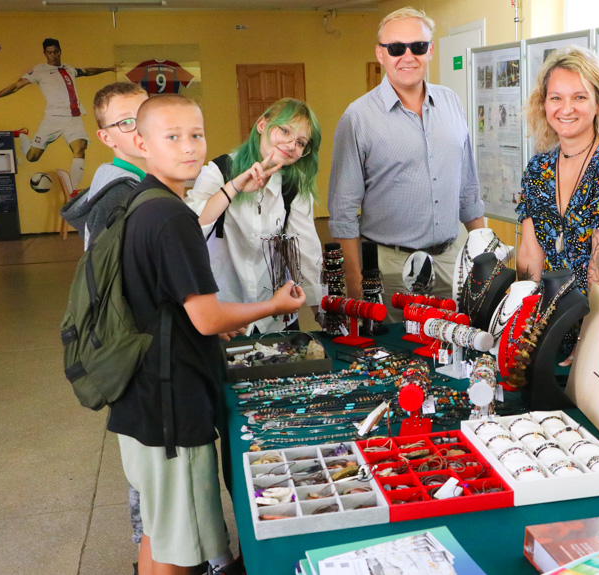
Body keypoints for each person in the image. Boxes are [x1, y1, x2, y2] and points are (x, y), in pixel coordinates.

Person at [110, 93, 304, 575]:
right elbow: (207, 318)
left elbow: (167, 303)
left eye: (196, 135)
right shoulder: (172, 218)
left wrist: (236, 183)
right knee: (184, 551)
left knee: (158, 531)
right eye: (172, 136)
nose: (189, 148)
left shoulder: (145, 202)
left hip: (140, 402)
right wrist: (275, 305)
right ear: (140, 143)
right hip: (172, 408)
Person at [328, 7, 484, 318]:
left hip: (453, 259)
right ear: (381, 54)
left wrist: (483, 257)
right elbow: (343, 210)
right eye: (396, 48)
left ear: (431, 51)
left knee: (456, 348)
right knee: (396, 352)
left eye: (418, 46)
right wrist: (354, 280)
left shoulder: (452, 102)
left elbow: (468, 189)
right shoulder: (357, 118)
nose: (408, 56)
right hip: (391, 268)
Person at [517, 46, 599, 335]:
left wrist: (588, 335)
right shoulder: (538, 168)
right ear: (543, 103)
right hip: (552, 316)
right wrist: (522, 319)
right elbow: (529, 252)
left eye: (579, 97)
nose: (566, 109)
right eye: (556, 98)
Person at [185, 97, 322, 334]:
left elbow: (306, 252)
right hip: (225, 317)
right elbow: (191, 227)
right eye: (285, 131)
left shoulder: (293, 186)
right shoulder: (219, 171)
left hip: (274, 319)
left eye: (301, 142)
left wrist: (321, 311)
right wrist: (234, 188)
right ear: (262, 125)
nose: (291, 145)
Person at [0, 38, 119, 190]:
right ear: (45, 54)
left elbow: (87, 71)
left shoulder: (68, 68)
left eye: (55, 52)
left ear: (60, 51)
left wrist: (108, 69)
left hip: (73, 117)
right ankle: (23, 134)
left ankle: (73, 191)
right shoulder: (39, 71)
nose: (53, 55)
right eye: (49, 53)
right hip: (52, 119)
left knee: (80, 149)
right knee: (32, 157)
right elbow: (16, 86)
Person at [61, 82, 148, 250]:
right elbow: (103, 271)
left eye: (146, 115)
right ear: (107, 138)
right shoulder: (117, 198)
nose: (141, 128)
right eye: (126, 122)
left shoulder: (153, 180)